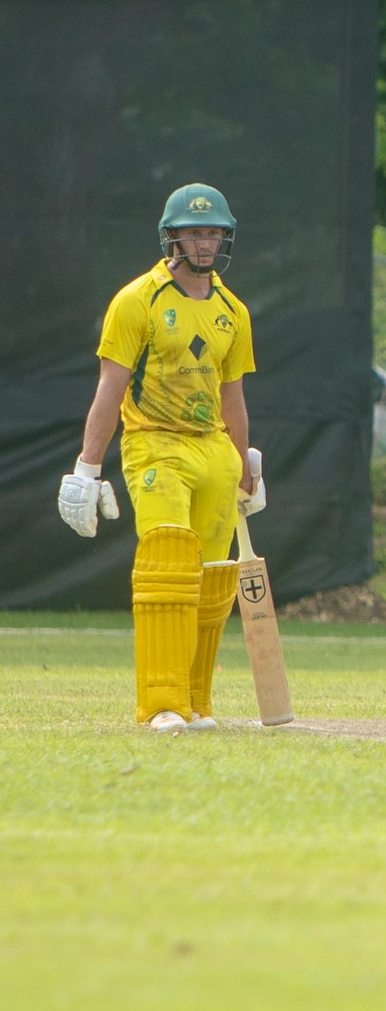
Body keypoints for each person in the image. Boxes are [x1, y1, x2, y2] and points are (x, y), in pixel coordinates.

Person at [59, 183, 264, 732]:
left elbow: (233, 394)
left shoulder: (232, 310)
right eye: (195, 233)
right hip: (154, 443)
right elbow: (110, 386)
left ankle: (197, 701)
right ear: (171, 237)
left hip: (213, 451)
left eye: (214, 232)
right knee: (169, 566)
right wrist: (86, 467)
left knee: (212, 577)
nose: (206, 242)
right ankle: (162, 703)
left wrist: (245, 463)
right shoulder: (137, 301)